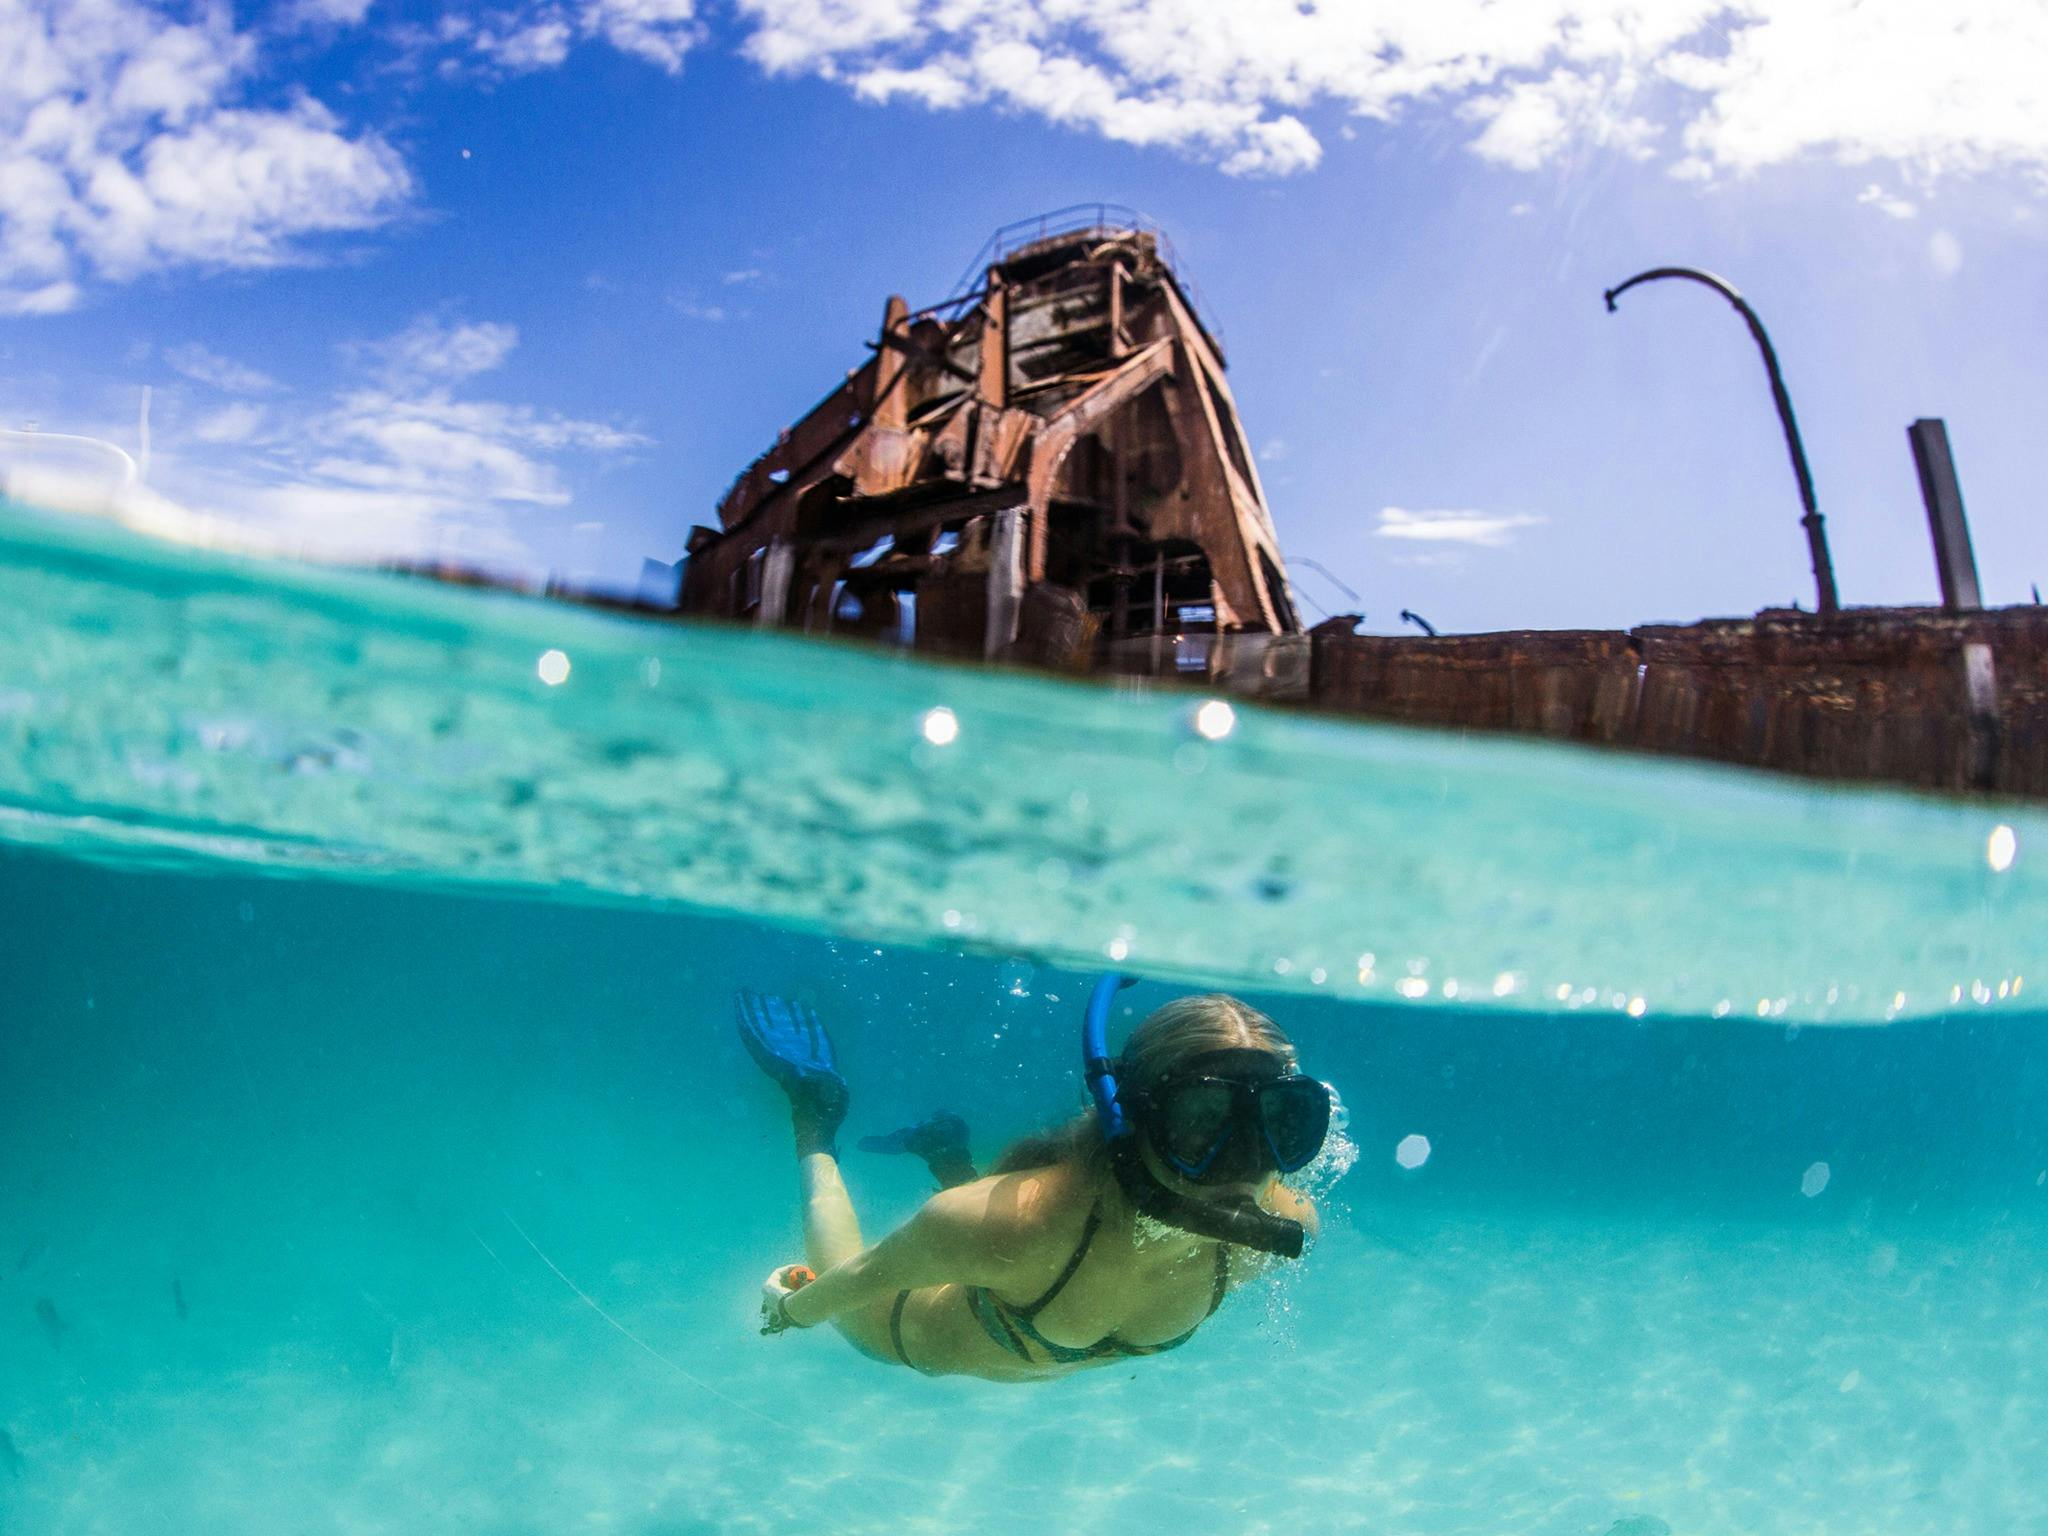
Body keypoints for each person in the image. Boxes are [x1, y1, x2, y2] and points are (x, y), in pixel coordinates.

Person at [738, 980, 1332, 1381]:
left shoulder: (1285, 1226)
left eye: (1282, 1123)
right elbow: (857, 1279)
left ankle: (945, 1150)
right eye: (1202, 1123)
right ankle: (814, 1115)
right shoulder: (1002, 1223)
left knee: (989, 1251)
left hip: (999, 1270)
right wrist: (791, 1310)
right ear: (1133, 1118)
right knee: (851, 1313)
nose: (1245, 1163)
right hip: (902, 1330)